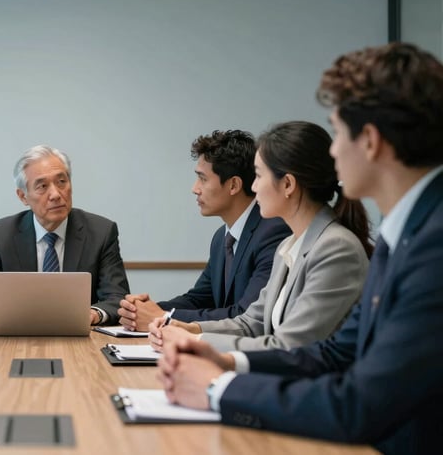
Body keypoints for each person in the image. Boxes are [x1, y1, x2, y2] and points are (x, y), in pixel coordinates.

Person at [156, 43, 443, 455]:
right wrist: (225, 360)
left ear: (370, 141)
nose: (333, 151)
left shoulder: (431, 246)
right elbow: (332, 353)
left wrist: (218, 388)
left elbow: (358, 404)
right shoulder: (403, 236)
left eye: (337, 132)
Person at [149, 121, 370, 352]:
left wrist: (194, 341)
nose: (253, 187)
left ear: (287, 184)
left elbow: (290, 346)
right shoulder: (289, 245)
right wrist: (189, 329)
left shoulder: (336, 248)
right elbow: (251, 323)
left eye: (258, 176)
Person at [118, 130, 290, 331]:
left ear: (233, 185)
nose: (195, 188)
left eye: (203, 179)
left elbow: (245, 315)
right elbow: (199, 298)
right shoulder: (221, 237)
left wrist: (163, 317)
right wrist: (142, 310)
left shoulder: (273, 232)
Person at [0, 144, 130, 326]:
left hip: (82, 336)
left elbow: (117, 297)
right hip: (18, 334)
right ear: (23, 196)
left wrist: (93, 315)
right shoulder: (0, 235)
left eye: (62, 182)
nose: (55, 194)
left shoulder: (101, 232)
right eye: (42, 186)